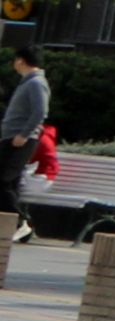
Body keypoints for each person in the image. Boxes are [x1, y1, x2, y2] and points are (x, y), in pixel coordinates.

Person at [0, 45, 43, 284]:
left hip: (20, 140)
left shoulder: (36, 83)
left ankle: (20, 221)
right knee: (10, 182)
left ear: (21, 61)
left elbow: (40, 112)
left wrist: (24, 135)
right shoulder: (28, 83)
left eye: (15, 59)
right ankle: (15, 224)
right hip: (11, 138)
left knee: (3, 179)